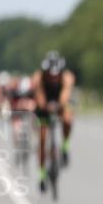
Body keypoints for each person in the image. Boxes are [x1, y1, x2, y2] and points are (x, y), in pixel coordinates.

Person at [32, 51, 75, 190]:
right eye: (50, 75)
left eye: (56, 75)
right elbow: (39, 96)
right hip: (44, 104)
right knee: (43, 139)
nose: (53, 78)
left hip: (59, 102)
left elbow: (65, 94)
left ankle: (65, 146)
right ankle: (42, 175)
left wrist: (60, 105)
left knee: (68, 119)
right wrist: (44, 105)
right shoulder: (38, 77)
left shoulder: (67, 77)